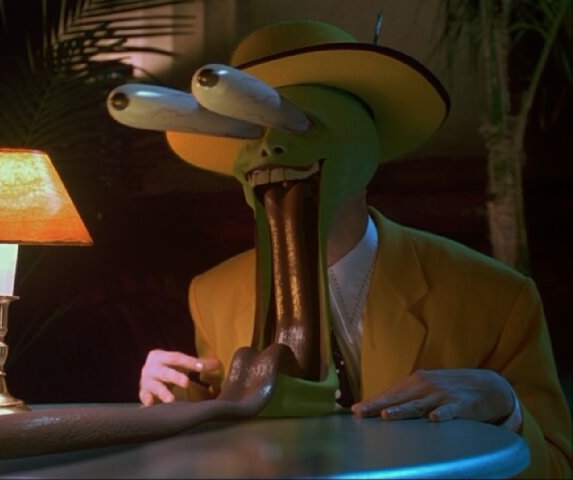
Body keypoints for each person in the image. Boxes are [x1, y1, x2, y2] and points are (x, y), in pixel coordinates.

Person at [135, 20, 571, 477]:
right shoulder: (212, 295)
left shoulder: (498, 298)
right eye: (250, 135)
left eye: (294, 124)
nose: (269, 150)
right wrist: (179, 402)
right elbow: (228, 444)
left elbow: (558, 467)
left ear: (366, 147)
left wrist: (506, 408)